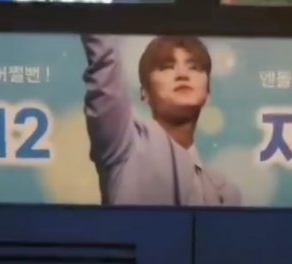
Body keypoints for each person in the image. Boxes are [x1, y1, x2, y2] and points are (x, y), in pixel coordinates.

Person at [80, 33, 242, 206]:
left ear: (208, 93)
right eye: (166, 67)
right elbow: (104, 63)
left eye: (194, 67)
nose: (182, 74)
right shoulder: (124, 143)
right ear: (145, 93)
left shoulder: (225, 193)